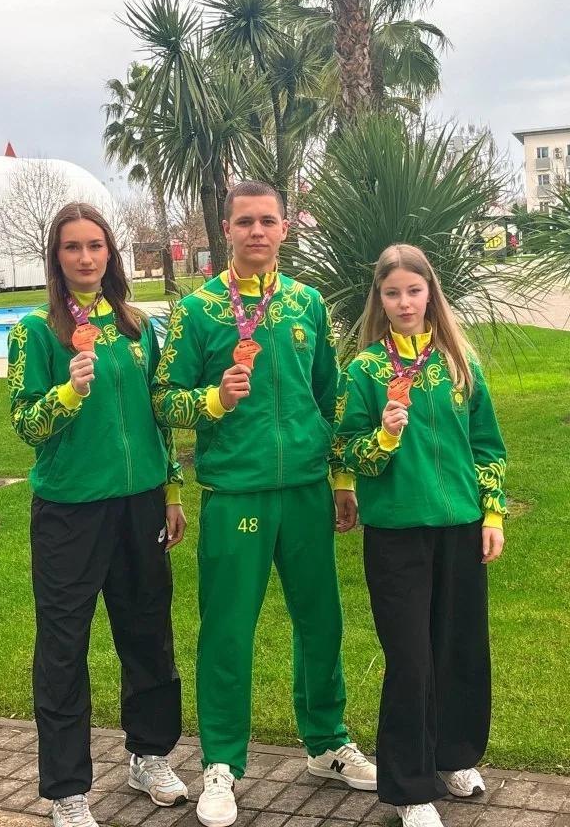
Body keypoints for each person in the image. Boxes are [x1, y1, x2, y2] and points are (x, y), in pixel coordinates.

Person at [152, 180, 377, 827]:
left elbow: (332, 397)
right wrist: (214, 399)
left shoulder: (306, 303)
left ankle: (327, 743)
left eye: (268, 221)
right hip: (236, 493)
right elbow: (163, 398)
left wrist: (342, 479)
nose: (257, 231)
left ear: (285, 228)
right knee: (227, 631)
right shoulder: (198, 311)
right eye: (245, 221)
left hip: (305, 488)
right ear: (225, 229)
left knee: (321, 622)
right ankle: (221, 765)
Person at [7, 202, 189, 827]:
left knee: (148, 633)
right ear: (56, 258)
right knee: (64, 647)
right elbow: (26, 423)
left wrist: (171, 490)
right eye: (72, 247)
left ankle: (149, 755)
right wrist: (68, 392)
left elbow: (159, 417)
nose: (85, 257)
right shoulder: (36, 332)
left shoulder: (139, 327)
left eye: (95, 246)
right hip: (70, 511)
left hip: (140, 504)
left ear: (110, 253)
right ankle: (67, 789)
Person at [333, 244, 508, 827]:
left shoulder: (459, 364)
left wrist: (492, 514)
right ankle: (410, 789)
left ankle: (454, 756)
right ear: (379, 301)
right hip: (397, 534)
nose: (404, 302)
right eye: (392, 293)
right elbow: (345, 449)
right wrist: (383, 437)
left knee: (459, 648)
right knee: (410, 659)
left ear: (430, 293)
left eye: (413, 290)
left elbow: (486, 445)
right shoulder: (364, 371)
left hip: (460, 528)